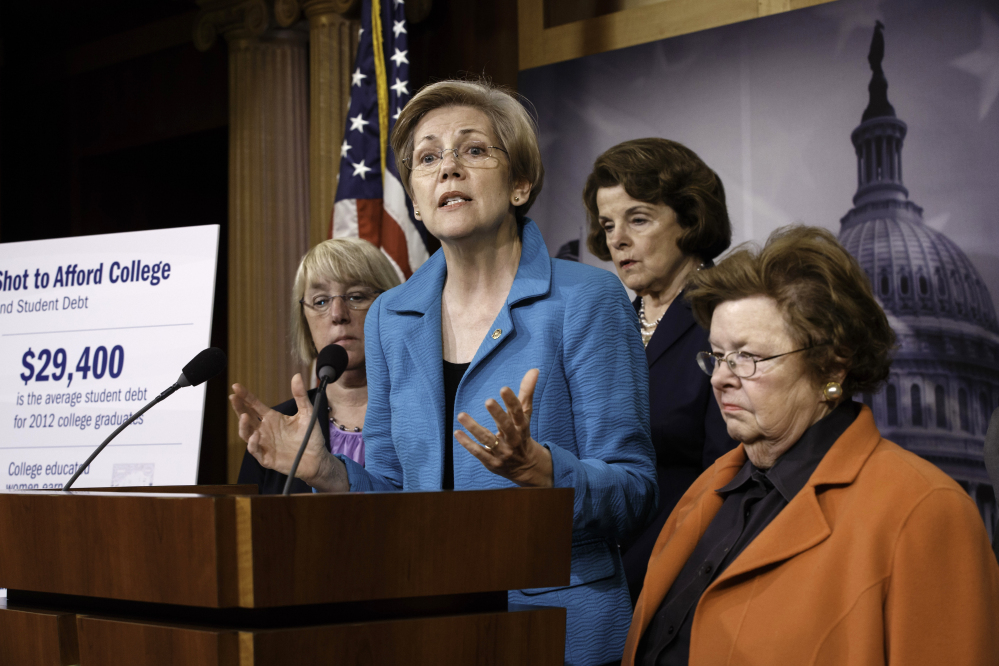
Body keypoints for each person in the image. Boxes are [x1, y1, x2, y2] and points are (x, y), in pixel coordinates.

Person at [232, 79, 658, 666]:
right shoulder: (390, 317)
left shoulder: (587, 299)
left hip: (560, 632)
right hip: (430, 626)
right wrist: (328, 471)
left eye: (473, 150)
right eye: (428, 158)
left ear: (520, 183)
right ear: (414, 199)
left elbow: (635, 492)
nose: (448, 169)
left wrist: (543, 470)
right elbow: (395, 496)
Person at [623, 226, 999, 665]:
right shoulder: (705, 491)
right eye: (718, 356)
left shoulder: (927, 512)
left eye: (748, 357)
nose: (722, 377)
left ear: (831, 366)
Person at [584, 138, 737, 604]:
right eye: (608, 225)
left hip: (681, 574)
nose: (617, 240)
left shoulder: (725, 319)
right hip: (595, 565)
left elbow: (726, 479)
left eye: (638, 219)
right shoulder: (605, 325)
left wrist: (629, 575)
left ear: (689, 220)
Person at [234, 237, 400, 494]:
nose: (337, 314)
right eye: (321, 301)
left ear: (391, 304)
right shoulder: (277, 428)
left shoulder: (423, 415)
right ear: (305, 321)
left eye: (356, 296)